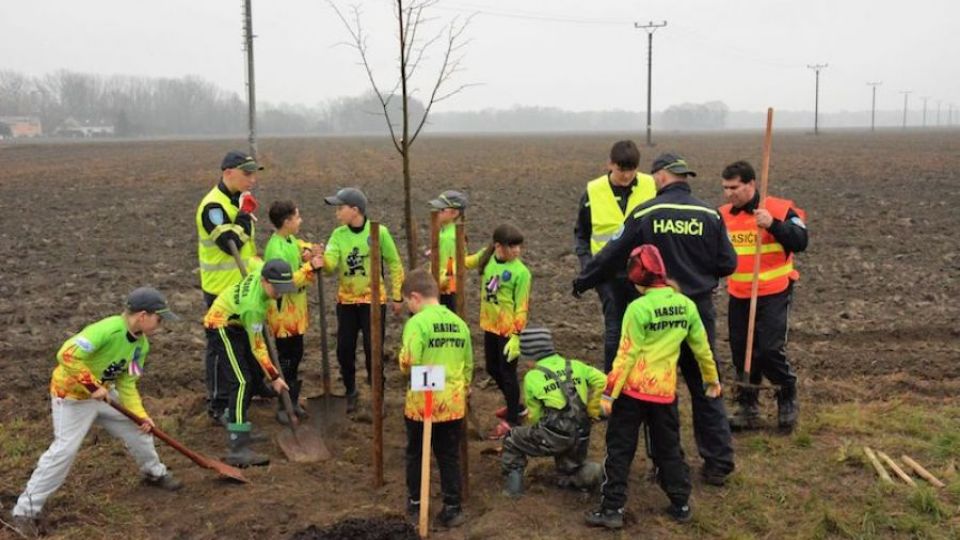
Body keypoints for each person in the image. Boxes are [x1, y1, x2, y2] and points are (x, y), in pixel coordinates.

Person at [573, 152, 738, 486]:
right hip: (696, 312)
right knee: (705, 381)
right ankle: (718, 462)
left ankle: (666, 463)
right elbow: (728, 264)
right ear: (684, 178)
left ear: (661, 177)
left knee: (656, 388)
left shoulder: (647, 212)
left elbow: (612, 254)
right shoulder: (709, 214)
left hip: (657, 314)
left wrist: (584, 281)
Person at [11, 288, 182, 534]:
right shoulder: (107, 329)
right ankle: (24, 511)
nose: (162, 324)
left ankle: (154, 473)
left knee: (139, 429)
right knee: (64, 451)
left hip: (104, 396)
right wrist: (91, 384)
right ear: (143, 316)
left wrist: (140, 415)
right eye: (159, 318)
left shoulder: (141, 346)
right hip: (71, 397)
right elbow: (66, 354)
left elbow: (127, 382)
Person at [585, 245, 723, 529]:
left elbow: (626, 355)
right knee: (669, 447)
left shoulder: (638, 308)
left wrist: (609, 395)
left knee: (620, 448)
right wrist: (712, 380)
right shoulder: (686, 305)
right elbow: (702, 349)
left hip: (632, 392)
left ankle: (612, 508)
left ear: (638, 277)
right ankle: (681, 502)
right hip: (664, 392)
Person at [718, 160, 808, 431]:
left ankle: (787, 395)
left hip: (773, 291)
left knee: (769, 349)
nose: (729, 193)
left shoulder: (780, 209)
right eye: (725, 188)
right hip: (739, 293)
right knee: (742, 351)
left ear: (751, 184)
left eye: (734, 187)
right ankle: (748, 406)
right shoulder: (721, 215)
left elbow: (801, 241)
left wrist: (773, 225)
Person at [204, 259, 317, 466]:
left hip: (237, 321)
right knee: (241, 382)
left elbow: (254, 260)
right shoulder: (253, 307)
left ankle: (240, 424)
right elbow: (259, 347)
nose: (280, 293)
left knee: (253, 375)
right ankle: (237, 447)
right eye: (277, 288)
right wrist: (274, 377)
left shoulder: (261, 271)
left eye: (284, 288)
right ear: (265, 281)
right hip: (220, 325)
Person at [397, 269, 472, 529]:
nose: (409, 307)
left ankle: (416, 502)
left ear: (415, 297)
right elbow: (469, 365)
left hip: (422, 402)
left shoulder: (416, 323)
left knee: (416, 452)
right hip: (452, 402)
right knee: (448, 454)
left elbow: (410, 361)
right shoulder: (459, 324)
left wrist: (403, 364)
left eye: (407, 301)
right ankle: (453, 507)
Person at [573, 140, 657, 372]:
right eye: (622, 169)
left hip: (643, 273)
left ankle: (643, 378)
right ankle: (611, 384)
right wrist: (588, 267)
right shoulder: (593, 191)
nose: (627, 175)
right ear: (609, 164)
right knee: (615, 329)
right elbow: (582, 234)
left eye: (632, 169)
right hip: (607, 273)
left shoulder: (651, 186)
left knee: (646, 327)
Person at [319, 187, 404, 413]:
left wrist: (397, 295)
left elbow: (394, 263)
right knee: (344, 349)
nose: (337, 213)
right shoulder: (338, 235)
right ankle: (350, 391)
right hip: (346, 302)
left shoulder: (379, 232)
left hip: (374, 303)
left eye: (340, 208)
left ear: (355, 210)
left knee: (373, 350)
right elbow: (330, 266)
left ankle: (379, 396)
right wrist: (319, 260)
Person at [196, 150, 266, 422]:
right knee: (220, 348)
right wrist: (244, 217)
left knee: (247, 340)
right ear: (228, 173)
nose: (252, 180)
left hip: (243, 287)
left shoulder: (238, 200)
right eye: (247, 174)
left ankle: (255, 386)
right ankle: (218, 403)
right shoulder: (212, 207)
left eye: (253, 174)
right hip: (220, 290)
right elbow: (229, 244)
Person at [500, 326, 605, 498]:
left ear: (531, 354)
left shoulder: (533, 377)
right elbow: (603, 381)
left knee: (512, 439)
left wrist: (536, 435)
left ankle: (513, 490)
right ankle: (592, 474)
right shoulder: (576, 365)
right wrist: (593, 408)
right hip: (581, 434)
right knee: (570, 468)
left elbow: (535, 417)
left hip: (555, 436)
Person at [466, 223, 532, 439]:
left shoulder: (521, 273)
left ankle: (512, 419)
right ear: (498, 247)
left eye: (518, 247)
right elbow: (466, 262)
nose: (517, 251)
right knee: (492, 368)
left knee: (508, 374)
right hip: (490, 326)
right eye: (512, 247)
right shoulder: (487, 257)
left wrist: (516, 335)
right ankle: (517, 406)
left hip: (508, 331)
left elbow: (521, 306)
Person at [264, 200, 321, 425]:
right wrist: (310, 267)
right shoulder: (275, 248)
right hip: (283, 315)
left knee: (296, 356)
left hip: (295, 313)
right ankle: (284, 403)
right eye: (297, 217)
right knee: (286, 359)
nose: (300, 220)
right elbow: (284, 283)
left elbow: (299, 245)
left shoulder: (288, 240)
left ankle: (293, 400)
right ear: (287, 221)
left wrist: (308, 251)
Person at [428, 190, 469, 312]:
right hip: (449, 288)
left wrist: (434, 285)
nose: (437, 213)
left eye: (441, 210)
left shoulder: (448, 238)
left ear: (454, 213)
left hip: (445, 291)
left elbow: (449, 267)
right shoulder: (448, 232)